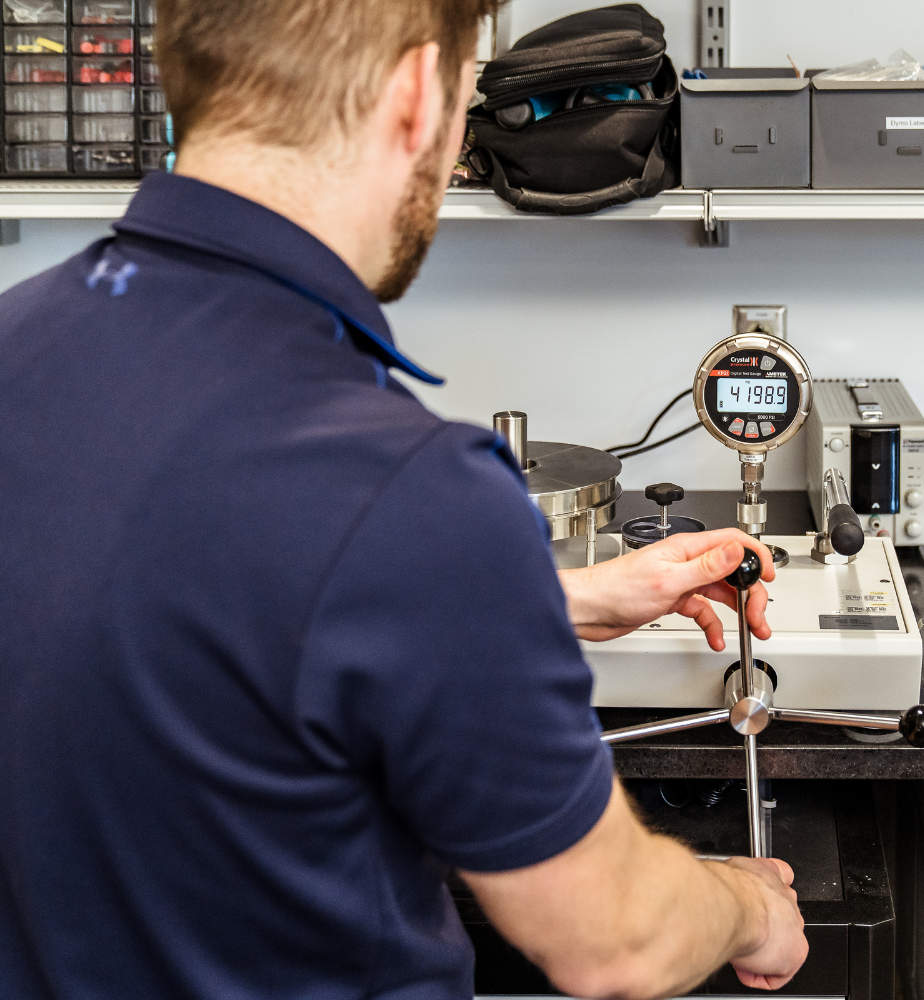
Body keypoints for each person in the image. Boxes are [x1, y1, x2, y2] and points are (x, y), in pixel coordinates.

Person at [0, 1, 809, 998]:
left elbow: (151, 604)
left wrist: (550, 601)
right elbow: (617, 942)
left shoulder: (17, 345)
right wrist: (749, 902)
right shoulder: (401, 486)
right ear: (420, 93)